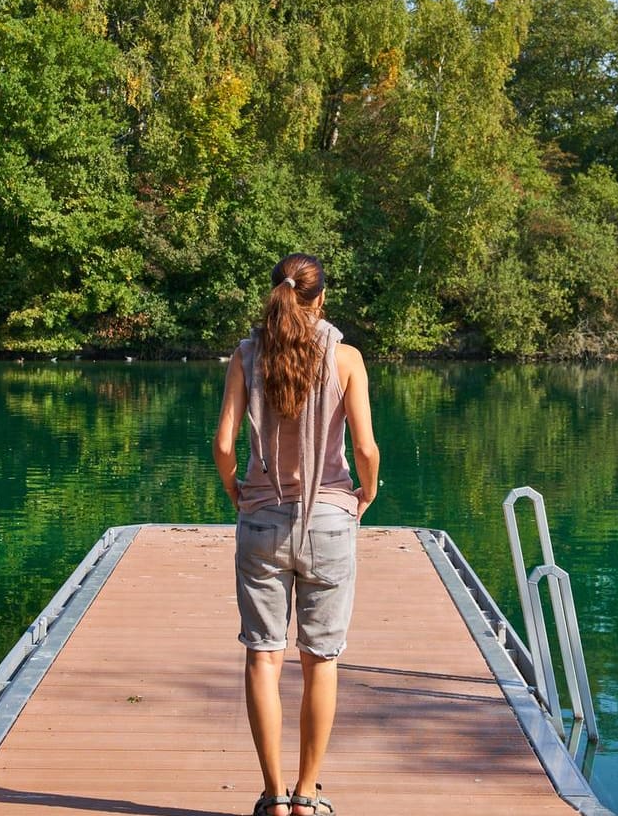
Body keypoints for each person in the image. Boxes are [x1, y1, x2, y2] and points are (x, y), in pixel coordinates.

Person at [212, 253, 380, 816]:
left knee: (263, 657)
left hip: (261, 518)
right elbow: (365, 450)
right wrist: (367, 491)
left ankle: (272, 797)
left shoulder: (244, 356)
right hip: (329, 520)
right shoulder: (346, 356)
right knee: (321, 660)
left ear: (276, 293)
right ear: (321, 299)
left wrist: (238, 491)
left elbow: (224, 445)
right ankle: (308, 796)